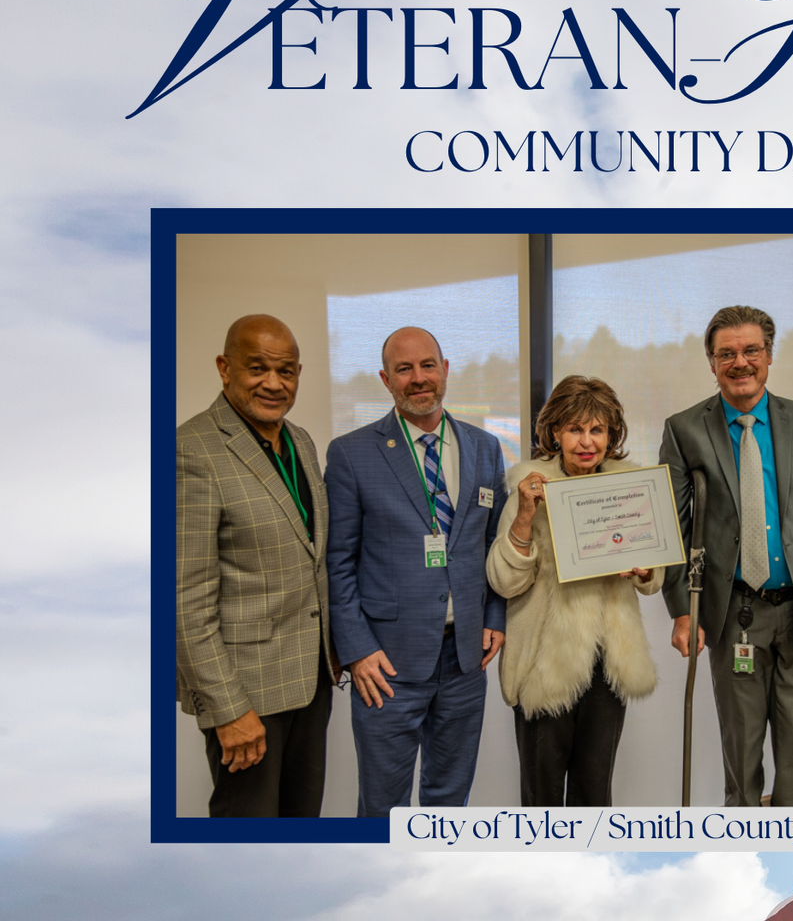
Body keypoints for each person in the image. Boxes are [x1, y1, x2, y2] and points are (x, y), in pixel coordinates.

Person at [659, 306, 793, 807]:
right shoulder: (685, 429)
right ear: (711, 362)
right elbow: (673, 530)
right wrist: (684, 610)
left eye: (751, 350)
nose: (740, 362)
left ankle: (788, 853)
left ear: (769, 356)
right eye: (726, 353)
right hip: (734, 617)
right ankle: (740, 852)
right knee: (742, 754)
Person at [327, 326, 507, 817]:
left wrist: (495, 617)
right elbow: (337, 561)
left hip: (465, 661)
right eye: (404, 369)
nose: (418, 378)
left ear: (445, 370)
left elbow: (493, 544)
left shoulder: (485, 449)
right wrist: (357, 650)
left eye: (428, 365)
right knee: (382, 808)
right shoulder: (351, 454)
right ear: (386, 379)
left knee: (449, 805)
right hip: (387, 665)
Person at [176, 315, 336, 817]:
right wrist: (228, 709)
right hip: (248, 698)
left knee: (302, 826)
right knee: (246, 846)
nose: (273, 383)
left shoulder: (301, 442)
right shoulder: (191, 451)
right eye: (257, 368)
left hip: (310, 681)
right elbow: (184, 600)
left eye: (285, 370)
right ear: (225, 368)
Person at [487, 375, 661, 806]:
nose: (586, 441)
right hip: (546, 662)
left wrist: (644, 570)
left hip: (608, 662)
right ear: (555, 433)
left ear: (611, 434)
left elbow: (654, 578)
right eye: (574, 429)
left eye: (597, 429)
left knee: (594, 795)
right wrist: (525, 516)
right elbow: (503, 580)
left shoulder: (629, 490)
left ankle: (589, 872)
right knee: (541, 797)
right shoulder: (529, 489)